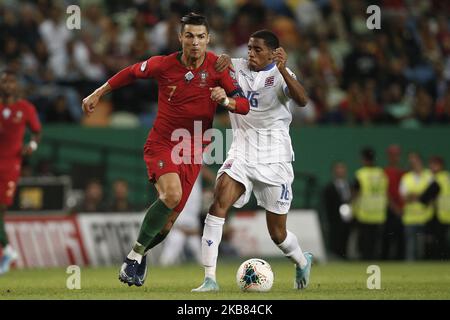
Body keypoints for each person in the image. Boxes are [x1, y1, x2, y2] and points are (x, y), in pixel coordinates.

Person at [81, 13, 249, 287]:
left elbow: (244, 104)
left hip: (194, 150)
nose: (195, 42)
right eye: (190, 36)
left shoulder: (218, 67)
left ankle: (141, 252)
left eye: (201, 37)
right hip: (163, 143)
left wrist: (227, 100)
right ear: (180, 38)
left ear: (208, 39)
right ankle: (133, 257)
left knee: (168, 223)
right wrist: (98, 93)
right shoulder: (163, 65)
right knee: (171, 194)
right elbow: (131, 72)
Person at [191, 30, 311, 292]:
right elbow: (213, 63)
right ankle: (209, 278)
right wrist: (219, 59)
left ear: (273, 53)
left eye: (257, 50)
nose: (251, 54)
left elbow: (302, 100)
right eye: (249, 48)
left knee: (278, 234)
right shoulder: (236, 66)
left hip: (275, 158)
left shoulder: (282, 75)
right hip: (242, 153)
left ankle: (302, 260)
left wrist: (284, 70)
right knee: (218, 202)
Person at [0, 69, 42, 274]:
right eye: (4, 81)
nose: (7, 85)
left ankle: (7, 250)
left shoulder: (25, 108)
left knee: (1, 208)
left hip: (10, 166)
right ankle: (7, 250)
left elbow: (36, 132)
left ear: (16, 86)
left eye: (11, 82)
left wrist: (32, 147)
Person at [352, 147, 388, 260]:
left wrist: (351, 207)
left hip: (365, 213)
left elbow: (356, 193)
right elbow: (385, 192)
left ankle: (365, 262)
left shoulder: (360, 174)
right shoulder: (381, 173)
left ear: (363, 159)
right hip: (379, 213)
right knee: (376, 243)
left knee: (365, 243)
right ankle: (375, 261)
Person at [399, 152, 433, 261]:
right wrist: (422, 195)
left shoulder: (429, 176)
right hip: (410, 217)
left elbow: (433, 193)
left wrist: (415, 195)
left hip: (426, 216)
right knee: (410, 246)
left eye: (415, 160)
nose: (413, 163)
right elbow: (404, 196)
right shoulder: (406, 177)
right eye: (411, 161)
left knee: (423, 247)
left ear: (420, 161)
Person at [323, 162, 352, 259]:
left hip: (349, 220)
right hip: (335, 221)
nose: (340, 171)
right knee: (335, 241)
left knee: (347, 240)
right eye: (338, 169)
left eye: (342, 168)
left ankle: (346, 257)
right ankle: (336, 258)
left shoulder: (350, 186)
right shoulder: (329, 188)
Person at [382, 144, 405, 260]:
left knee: (401, 239)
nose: (394, 157)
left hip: (403, 211)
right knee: (387, 238)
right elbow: (385, 192)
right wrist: (394, 207)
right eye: (391, 154)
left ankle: (400, 261)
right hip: (389, 210)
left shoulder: (403, 173)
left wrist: (401, 209)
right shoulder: (384, 172)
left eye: (396, 154)